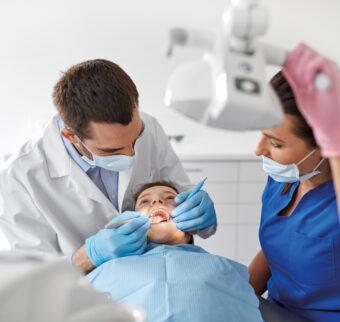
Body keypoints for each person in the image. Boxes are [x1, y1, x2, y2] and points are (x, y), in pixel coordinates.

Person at [0, 59, 217, 274]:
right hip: (87, 300)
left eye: (135, 139)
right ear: (71, 135)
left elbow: (182, 195)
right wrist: (90, 255)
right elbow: (32, 280)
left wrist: (200, 217)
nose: (131, 155)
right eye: (112, 151)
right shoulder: (19, 179)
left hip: (160, 274)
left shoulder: (149, 127)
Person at [248, 50, 340, 321]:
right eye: (261, 134)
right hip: (274, 311)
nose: (258, 150)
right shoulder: (283, 179)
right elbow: (277, 247)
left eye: (276, 143)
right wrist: (237, 295)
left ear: (325, 146)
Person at [87, 181, 263, 322]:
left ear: (193, 224)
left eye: (170, 198)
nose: (157, 202)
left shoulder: (224, 268)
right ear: (128, 222)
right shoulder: (109, 266)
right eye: (144, 201)